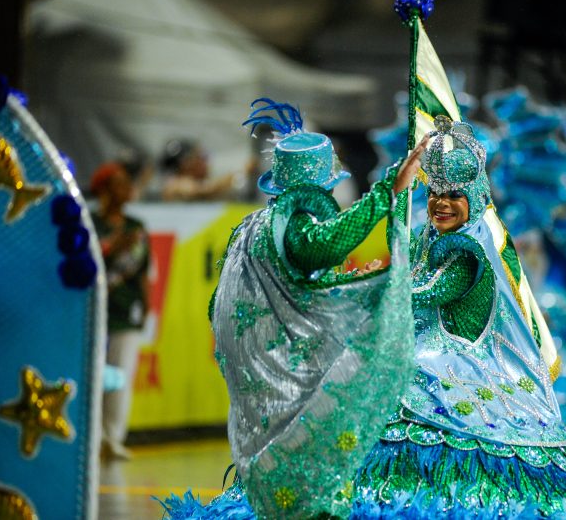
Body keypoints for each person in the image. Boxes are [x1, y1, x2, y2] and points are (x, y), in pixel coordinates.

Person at [351, 116, 566, 518]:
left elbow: (425, 293)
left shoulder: (469, 251)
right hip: (427, 353)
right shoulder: (431, 238)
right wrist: (398, 194)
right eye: (435, 193)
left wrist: (376, 286)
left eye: (453, 195)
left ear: (472, 196)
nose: (441, 203)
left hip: (463, 368)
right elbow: (399, 248)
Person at [160, 99, 427, 519]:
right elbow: (328, 244)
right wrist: (389, 190)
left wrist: (357, 280)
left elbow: (301, 290)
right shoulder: (294, 228)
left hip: (251, 373)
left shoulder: (252, 228)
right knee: (308, 458)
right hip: (276, 371)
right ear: (318, 186)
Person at [90, 161, 150, 460]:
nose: (127, 189)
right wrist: (113, 246)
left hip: (126, 310)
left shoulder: (136, 228)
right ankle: (93, 437)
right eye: (120, 183)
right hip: (94, 311)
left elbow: (142, 272)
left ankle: (113, 438)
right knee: (93, 376)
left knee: (121, 376)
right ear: (103, 189)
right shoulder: (89, 223)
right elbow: (88, 259)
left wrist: (146, 306)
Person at [159, 138, 257, 201]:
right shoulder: (175, 185)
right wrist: (241, 173)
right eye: (201, 157)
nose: (206, 162)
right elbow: (206, 190)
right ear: (186, 163)